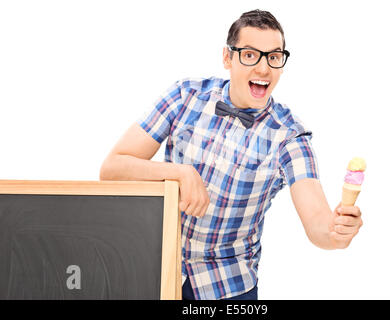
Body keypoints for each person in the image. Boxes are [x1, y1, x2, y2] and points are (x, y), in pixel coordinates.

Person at [99, 9, 363, 300]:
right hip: (157, 270)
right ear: (228, 58)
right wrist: (180, 173)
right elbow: (113, 168)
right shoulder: (185, 96)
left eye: (274, 57)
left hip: (228, 287)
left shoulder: (290, 137)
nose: (264, 69)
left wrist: (337, 232)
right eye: (250, 55)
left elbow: (317, 223)